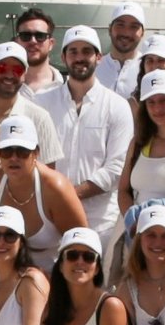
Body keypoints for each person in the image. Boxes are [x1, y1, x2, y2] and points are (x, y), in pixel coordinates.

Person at [39, 25, 134, 237]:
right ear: (63, 57)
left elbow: (117, 168)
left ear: (99, 57)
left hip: (101, 225)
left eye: (87, 51)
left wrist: (68, 195)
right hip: (50, 219)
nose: (80, 57)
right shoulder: (42, 103)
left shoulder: (117, 106)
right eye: (73, 51)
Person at [0, 116, 87, 272]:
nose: (13, 158)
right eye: (6, 151)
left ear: (36, 153)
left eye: (22, 151)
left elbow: (82, 245)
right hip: (8, 272)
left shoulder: (55, 188)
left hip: (55, 273)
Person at [117, 71, 165, 229]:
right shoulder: (137, 142)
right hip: (136, 235)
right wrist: (133, 222)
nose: (157, 108)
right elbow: (123, 190)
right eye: (151, 102)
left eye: (163, 101)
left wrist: (158, 220)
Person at [0, 42, 65, 168]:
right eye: (2, 68)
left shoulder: (40, 118)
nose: (9, 75)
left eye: (17, 70)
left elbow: (49, 174)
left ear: (24, 75)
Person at [100, 2, 146, 97]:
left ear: (142, 33)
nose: (126, 33)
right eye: (120, 25)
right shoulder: (94, 68)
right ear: (109, 29)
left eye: (134, 27)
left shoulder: (148, 69)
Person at [14, 7, 62, 94]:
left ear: (51, 44)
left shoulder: (67, 87)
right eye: (25, 35)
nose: (33, 41)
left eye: (40, 36)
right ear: (17, 41)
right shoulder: (3, 89)